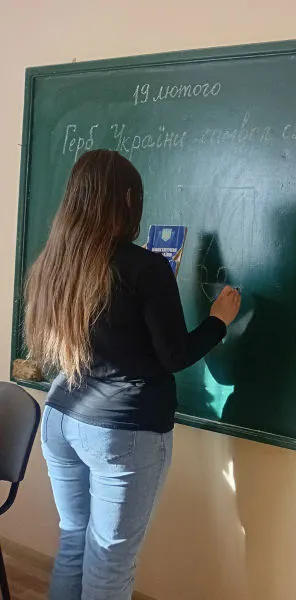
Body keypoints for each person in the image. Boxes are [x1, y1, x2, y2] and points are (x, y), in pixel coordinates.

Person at [24, 150, 241, 600]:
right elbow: (174, 355)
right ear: (127, 199)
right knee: (108, 566)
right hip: (122, 433)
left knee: (74, 544)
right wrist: (218, 320)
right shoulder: (146, 267)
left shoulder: (54, 262)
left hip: (61, 416)